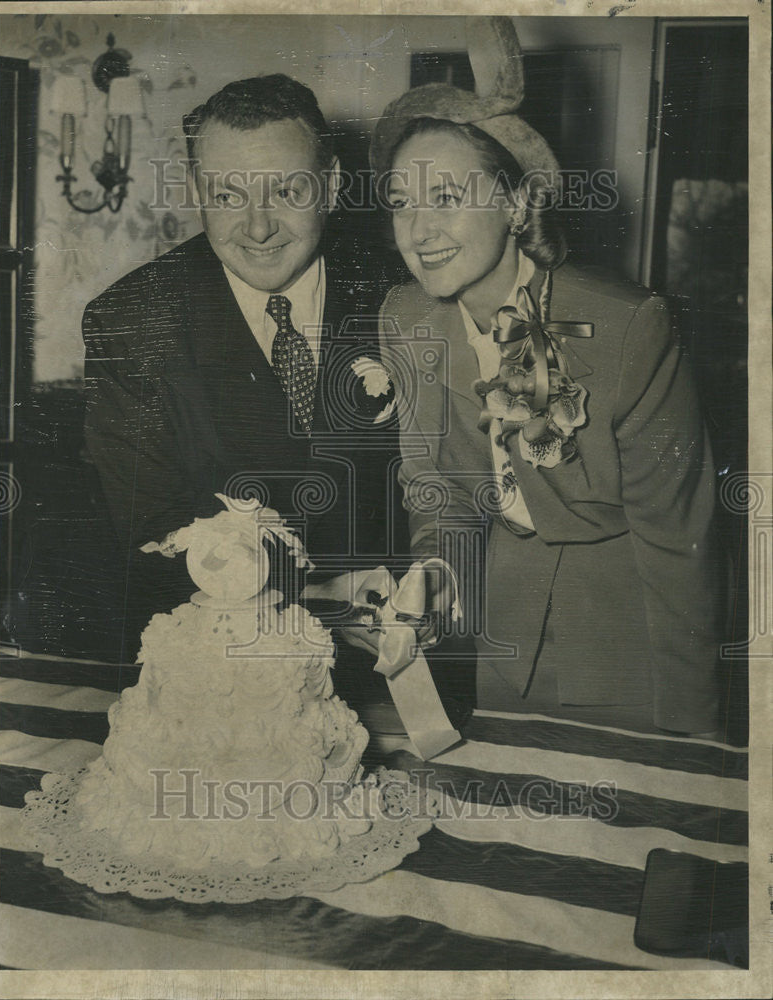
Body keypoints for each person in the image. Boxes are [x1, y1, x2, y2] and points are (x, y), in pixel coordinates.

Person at [369, 18, 724, 737]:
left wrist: (697, 728)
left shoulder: (629, 326)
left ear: (517, 204)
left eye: (445, 199)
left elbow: (677, 542)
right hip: (502, 630)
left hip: (627, 633)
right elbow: (434, 485)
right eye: (402, 204)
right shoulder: (405, 318)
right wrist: (435, 572)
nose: (419, 231)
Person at [82, 74, 402, 660]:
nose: (258, 228)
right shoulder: (132, 320)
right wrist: (316, 599)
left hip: (405, 656)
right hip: (225, 658)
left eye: (287, 192)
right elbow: (153, 525)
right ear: (195, 190)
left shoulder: (403, 294)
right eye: (228, 196)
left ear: (330, 186)